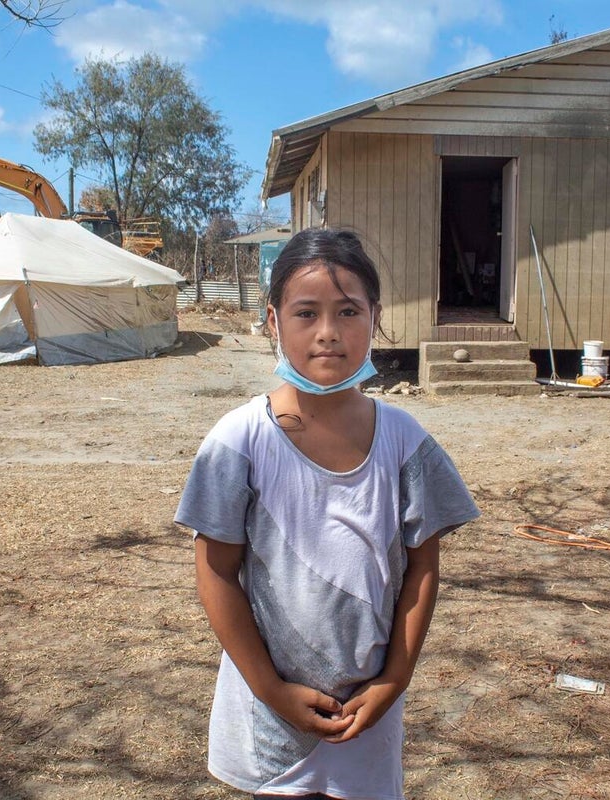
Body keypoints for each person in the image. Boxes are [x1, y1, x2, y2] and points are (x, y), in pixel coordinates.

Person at [175, 227, 480, 799]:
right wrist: (270, 689)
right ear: (273, 321)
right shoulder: (239, 441)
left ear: (375, 316)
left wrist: (394, 678)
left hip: (368, 712)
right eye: (306, 313)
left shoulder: (404, 442)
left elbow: (423, 567)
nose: (327, 332)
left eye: (347, 311)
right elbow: (216, 571)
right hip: (267, 716)